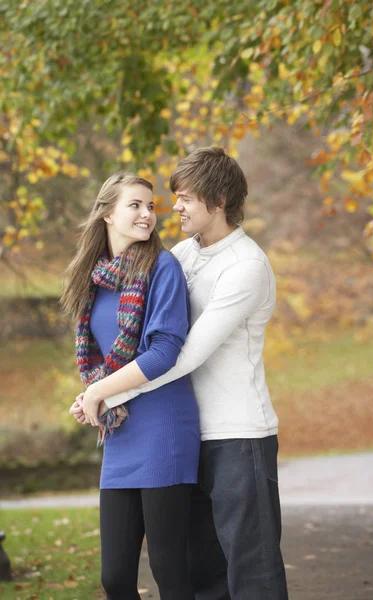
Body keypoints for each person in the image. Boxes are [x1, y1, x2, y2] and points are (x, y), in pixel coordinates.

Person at [72, 147, 288, 599]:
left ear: (219, 201)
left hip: (238, 432)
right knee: (202, 573)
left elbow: (180, 354)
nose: (174, 208)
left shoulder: (245, 266)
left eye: (186, 198)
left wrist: (104, 392)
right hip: (191, 432)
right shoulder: (184, 255)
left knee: (252, 571)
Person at [62, 172, 200, 600]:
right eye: (134, 205)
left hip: (165, 430)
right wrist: (92, 394)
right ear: (107, 213)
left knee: (169, 568)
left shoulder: (163, 267)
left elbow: (163, 352)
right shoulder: (93, 279)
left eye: (150, 206)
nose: (146, 214)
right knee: (115, 577)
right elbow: (102, 364)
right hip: (120, 434)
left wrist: (99, 393)